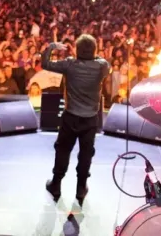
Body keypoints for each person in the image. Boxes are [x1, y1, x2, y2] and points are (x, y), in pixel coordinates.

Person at [42, 35, 110, 205]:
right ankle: (81, 188)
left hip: (71, 117)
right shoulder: (101, 66)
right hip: (90, 119)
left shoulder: (69, 64)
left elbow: (45, 63)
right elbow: (104, 63)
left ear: (77, 50)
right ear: (94, 51)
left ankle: (56, 185)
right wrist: (92, 55)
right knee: (86, 153)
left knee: (63, 150)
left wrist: (52, 46)